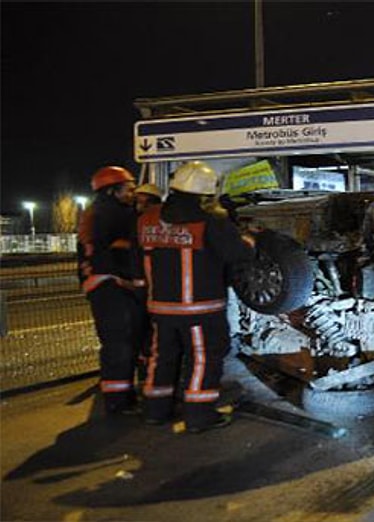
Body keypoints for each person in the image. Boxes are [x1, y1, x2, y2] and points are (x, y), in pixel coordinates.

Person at [138, 161, 255, 433]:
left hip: (160, 307)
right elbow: (237, 254)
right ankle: (199, 415)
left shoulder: (148, 218)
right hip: (201, 308)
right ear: (206, 193)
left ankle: (155, 410)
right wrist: (249, 239)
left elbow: (137, 257)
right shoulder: (209, 221)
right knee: (203, 358)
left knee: (162, 357)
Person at [77, 166, 144, 415]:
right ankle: (118, 402)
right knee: (119, 344)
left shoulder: (100, 212)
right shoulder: (112, 214)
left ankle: (120, 395)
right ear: (112, 190)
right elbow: (120, 250)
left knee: (120, 342)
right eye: (128, 188)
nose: (133, 192)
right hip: (111, 284)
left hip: (104, 284)